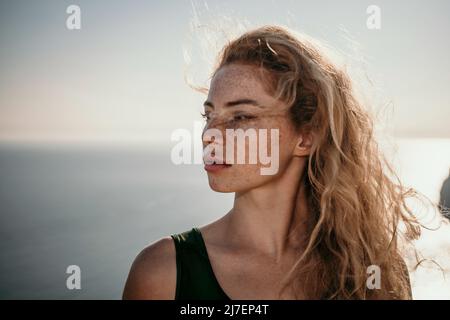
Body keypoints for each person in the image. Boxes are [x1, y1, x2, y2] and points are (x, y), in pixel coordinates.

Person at [122, 25, 420, 300]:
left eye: (241, 117)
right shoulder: (163, 274)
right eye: (209, 115)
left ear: (306, 136)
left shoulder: (372, 271)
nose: (209, 136)